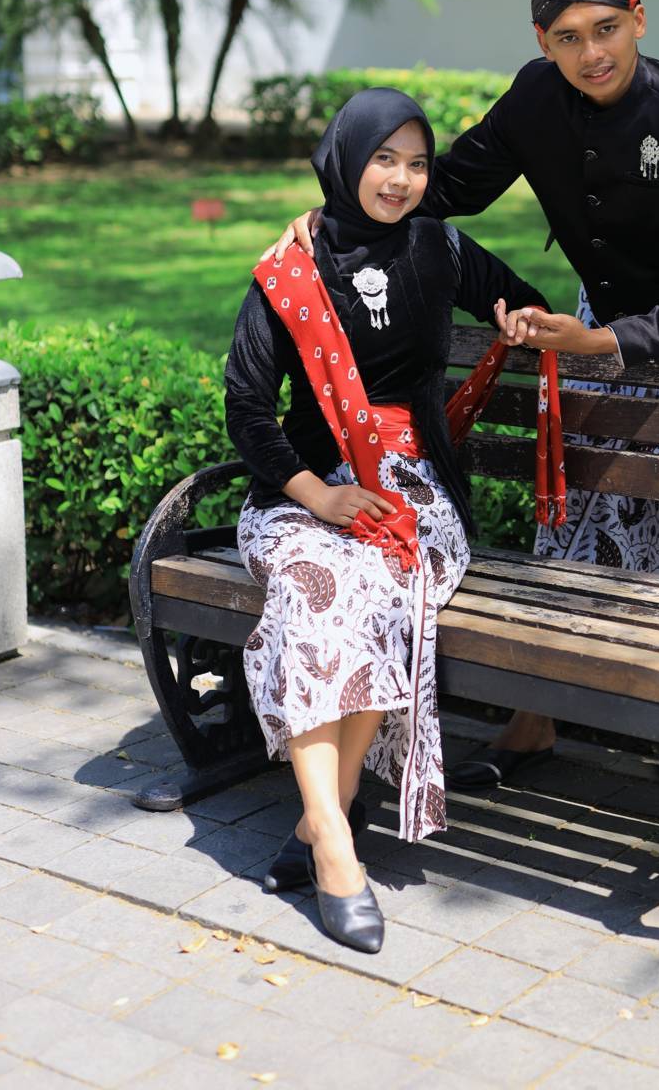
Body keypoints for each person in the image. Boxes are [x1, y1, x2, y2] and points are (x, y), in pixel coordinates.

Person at [268, 0, 659, 789]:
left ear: (639, 17)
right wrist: (336, 213)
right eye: (568, 37)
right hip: (599, 307)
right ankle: (535, 719)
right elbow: (451, 185)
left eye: (606, 29)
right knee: (578, 488)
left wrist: (596, 343)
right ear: (542, 43)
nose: (592, 53)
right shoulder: (536, 98)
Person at [224, 87, 550, 953]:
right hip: (302, 492)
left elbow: (520, 300)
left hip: (415, 491)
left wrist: (517, 319)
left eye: (417, 164)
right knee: (315, 586)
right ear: (344, 161)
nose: (401, 180)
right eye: (383, 160)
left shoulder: (439, 247)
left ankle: (317, 820)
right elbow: (246, 407)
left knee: (384, 578)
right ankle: (336, 842)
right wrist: (320, 497)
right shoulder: (292, 268)